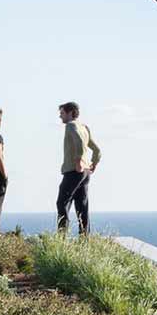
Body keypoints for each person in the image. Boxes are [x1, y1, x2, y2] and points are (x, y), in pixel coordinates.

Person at [55, 101, 101, 236]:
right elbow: (97, 150)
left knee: (62, 203)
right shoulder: (84, 127)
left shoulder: (70, 126)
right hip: (85, 172)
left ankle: (62, 238)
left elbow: (79, 143)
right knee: (82, 206)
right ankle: (84, 239)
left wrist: (78, 161)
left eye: (62, 113)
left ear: (70, 113)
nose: (60, 116)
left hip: (74, 171)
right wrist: (94, 163)